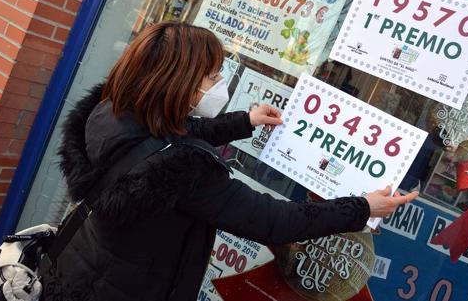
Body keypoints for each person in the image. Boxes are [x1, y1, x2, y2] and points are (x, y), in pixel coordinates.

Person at [54, 21, 418, 301]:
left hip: (80, 271)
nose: (220, 81)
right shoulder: (182, 171)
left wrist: (244, 121)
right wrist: (362, 207)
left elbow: (171, 134)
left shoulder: (109, 113)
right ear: (177, 84)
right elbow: (273, 221)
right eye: (212, 76)